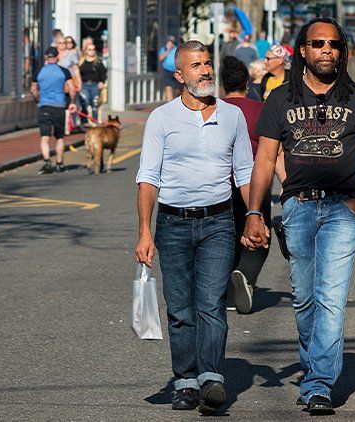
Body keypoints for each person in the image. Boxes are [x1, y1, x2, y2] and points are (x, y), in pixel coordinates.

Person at [242, 18, 355, 415]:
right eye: (318, 43)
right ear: (302, 50)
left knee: (331, 298)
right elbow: (265, 159)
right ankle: (313, 368)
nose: (327, 49)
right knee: (305, 299)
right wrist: (255, 211)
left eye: (335, 44)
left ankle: (318, 383)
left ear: (341, 51)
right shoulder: (280, 99)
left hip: (343, 208)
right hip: (298, 207)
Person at [135, 40, 255, 415]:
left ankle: (212, 378)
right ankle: (185, 381)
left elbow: (246, 173)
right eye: (196, 65)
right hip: (172, 223)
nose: (205, 71)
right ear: (180, 75)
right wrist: (145, 231)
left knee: (211, 304)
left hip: (219, 221)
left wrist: (254, 215)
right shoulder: (162, 118)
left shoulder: (232, 116)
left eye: (207, 64)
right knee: (181, 308)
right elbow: (148, 177)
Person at [220, 56, 269, 314]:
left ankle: (227, 293)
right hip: (254, 181)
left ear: (222, 85)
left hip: (221, 183)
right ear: (247, 84)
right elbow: (272, 149)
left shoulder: (215, 109)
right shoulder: (258, 109)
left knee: (227, 236)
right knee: (258, 235)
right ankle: (245, 274)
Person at [30, 47, 78, 174]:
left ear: (46, 57)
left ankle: (47, 162)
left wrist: (38, 100)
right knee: (59, 137)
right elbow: (72, 88)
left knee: (44, 137)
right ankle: (59, 163)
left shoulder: (39, 71)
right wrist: (72, 103)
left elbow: (33, 89)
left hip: (44, 106)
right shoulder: (63, 71)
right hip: (59, 106)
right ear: (57, 57)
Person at [55, 35, 83, 133]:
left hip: (69, 83)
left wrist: (79, 82)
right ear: (56, 44)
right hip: (57, 83)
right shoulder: (54, 54)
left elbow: (76, 69)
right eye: (60, 43)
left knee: (70, 104)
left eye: (65, 43)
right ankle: (60, 125)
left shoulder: (71, 54)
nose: (63, 45)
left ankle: (69, 126)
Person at [78, 43, 107, 125]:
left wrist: (102, 82)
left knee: (94, 105)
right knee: (85, 102)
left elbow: (104, 74)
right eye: (89, 49)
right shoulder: (81, 62)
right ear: (86, 51)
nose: (92, 51)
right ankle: (84, 122)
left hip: (95, 85)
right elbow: (77, 74)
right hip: (84, 85)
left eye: (93, 49)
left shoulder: (98, 62)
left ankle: (95, 122)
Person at [159, 36, 180, 101]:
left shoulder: (176, 49)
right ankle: (169, 102)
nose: (170, 44)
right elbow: (160, 58)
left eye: (172, 42)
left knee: (177, 89)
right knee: (168, 86)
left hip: (175, 71)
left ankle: (175, 100)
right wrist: (168, 50)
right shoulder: (164, 49)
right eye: (169, 42)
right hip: (167, 70)